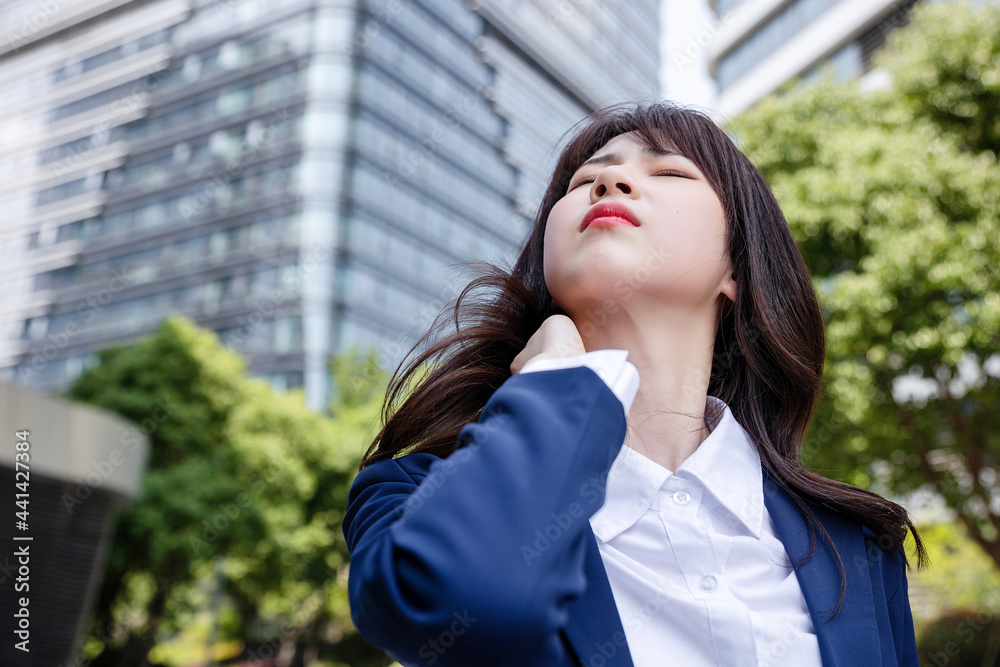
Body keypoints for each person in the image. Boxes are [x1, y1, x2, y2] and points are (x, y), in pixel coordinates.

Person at [341, 101, 927, 667]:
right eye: (582, 182)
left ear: (736, 270)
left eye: (669, 170)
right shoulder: (411, 495)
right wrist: (558, 384)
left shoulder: (857, 547)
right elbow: (457, 606)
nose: (609, 183)